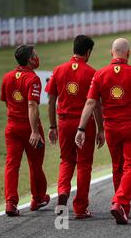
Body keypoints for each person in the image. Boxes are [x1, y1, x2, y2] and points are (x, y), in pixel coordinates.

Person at [75, 38, 131, 225]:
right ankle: (120, 202)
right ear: (128, 53)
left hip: (111, 127)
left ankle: (123, 206)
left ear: (111, 53)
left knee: (117, 166)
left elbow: (90, 103)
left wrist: (81, 128)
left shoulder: (100, 74)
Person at [45, 35, 105, 219]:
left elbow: (51, 100)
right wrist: (101, 129)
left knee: (66, 160)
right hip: (84, 125)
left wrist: (52, 126)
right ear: (88, 52)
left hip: (63, 122)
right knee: (84, 164)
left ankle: (63, 191)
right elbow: (95, 104)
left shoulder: (58, 70)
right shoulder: (92, 73)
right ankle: (80, 207)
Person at [0, 44, 49, 216]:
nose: (37, 57)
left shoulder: (7, 77)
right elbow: (32, 105)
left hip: (11, 126)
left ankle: (10, 203)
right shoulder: (33, 79)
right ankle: (38, 198)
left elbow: (7, 101)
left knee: (12, 164)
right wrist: (34, 131)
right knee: (35, 164)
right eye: (35, 54)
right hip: (29, 128)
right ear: (30, 59)